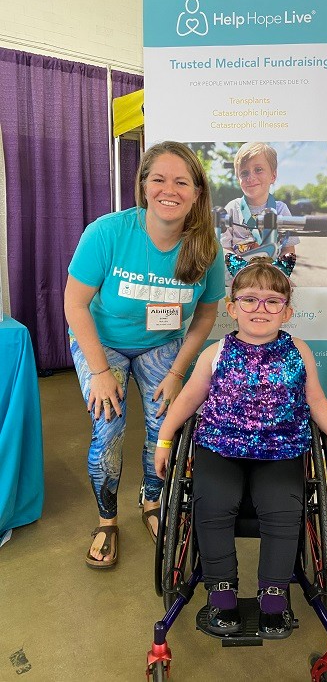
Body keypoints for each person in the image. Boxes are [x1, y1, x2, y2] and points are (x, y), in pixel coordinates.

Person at [155, 254, 327, 638]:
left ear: (286, 311)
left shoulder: (299, 351)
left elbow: (316, 401)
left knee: (283, 509)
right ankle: (222, 593)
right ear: (232, 308)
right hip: (220, 446)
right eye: (249, 299)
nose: (259, 308)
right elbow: (187, 400)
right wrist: (165, 439)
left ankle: (274, 596)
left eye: (272, 301)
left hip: (281, 450)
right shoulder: (215, 354)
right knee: (212, 503)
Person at [64, 141, 225, 569]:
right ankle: (107, 520)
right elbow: (74, 303)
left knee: (164, 426)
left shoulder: (206, 248)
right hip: (103, 343)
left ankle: (151, 502)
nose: (168, 189)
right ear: (143, 185)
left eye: (181, 181)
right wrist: (99, 371)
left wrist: (176, 373)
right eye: (158, 179)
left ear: (196, 192)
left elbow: (206, 316)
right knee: (108, 429)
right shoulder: (107, 232)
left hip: (163, 345)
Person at [220, 142, 299, 259]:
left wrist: (280, 273)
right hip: (238, 275)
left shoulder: (281, 209)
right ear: (238, 179)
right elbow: (224, 247)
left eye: (258, 169)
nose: (250, 178)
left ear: (273, 176)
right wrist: (238, 268)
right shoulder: (231, 209)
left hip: (272, 274)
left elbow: (288, 249)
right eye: (244, 173)